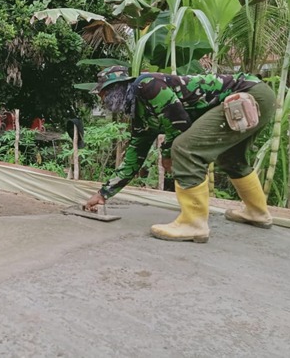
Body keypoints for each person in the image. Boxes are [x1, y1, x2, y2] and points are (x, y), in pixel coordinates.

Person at [84, 66, 276, 243]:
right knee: (230, 158)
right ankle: (257, 212)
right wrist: (103, 193)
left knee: (184, 148)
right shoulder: (141, 113)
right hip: (257, 97)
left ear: (116, 87)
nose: (102, 100)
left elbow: (178, 123)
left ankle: (193, 224)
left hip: (250, 95)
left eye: (103, 94)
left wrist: (167, 154)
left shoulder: (146, 85)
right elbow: (134, 157)